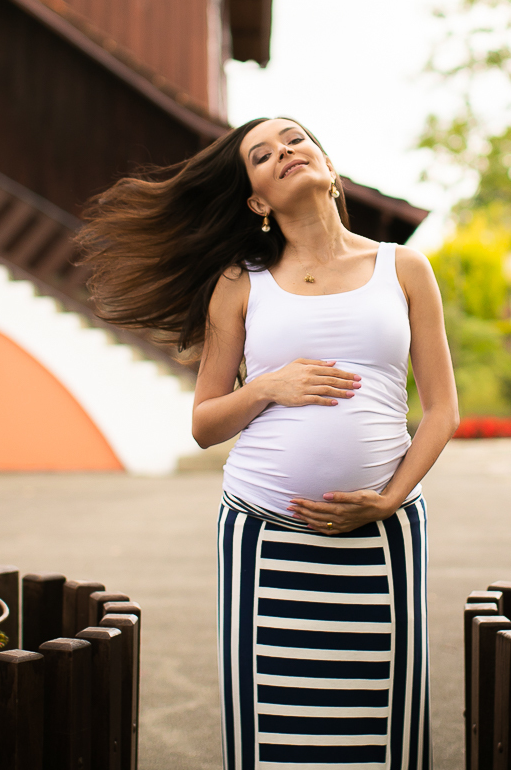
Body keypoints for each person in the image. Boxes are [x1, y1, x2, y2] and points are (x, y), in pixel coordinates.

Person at [78, 117, 458, 770]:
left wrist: (389, 499)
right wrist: (269, 387)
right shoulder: (240, 283)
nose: (284, 151)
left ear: (328, 166)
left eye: (295, 140)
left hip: (382, 537)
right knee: (270, 724)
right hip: (265, 538)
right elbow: (205, 424)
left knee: (385, 720)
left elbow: (442, 410)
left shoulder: (403, 268)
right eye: (262, 154)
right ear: (255, 199)